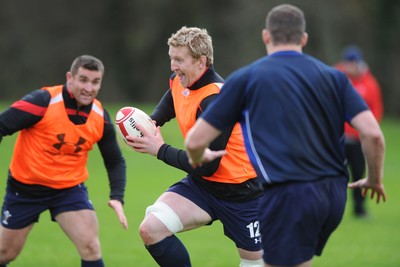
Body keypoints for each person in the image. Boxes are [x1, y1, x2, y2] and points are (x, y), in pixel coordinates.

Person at [184, 4, 386, 267]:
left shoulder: (247, 78)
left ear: (266, 36)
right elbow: (373, 134)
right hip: (334, 194)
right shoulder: (335, 78)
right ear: (303, 38)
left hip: (290, 194)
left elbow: (195, 141)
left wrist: (200, 155)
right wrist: (374, 178)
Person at [126, 26, 264, 267]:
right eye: (171, 58)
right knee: (152, 228)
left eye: (179, 60)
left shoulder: (218, 100)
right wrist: (153, 121)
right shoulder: (180, 81)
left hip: (243, 194)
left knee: (255, 263)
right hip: (203, 188)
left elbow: (207, 165)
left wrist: (159, 149)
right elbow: (173, 97)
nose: (172, 66)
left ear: (201, 62)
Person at [0, 55, 128, 267]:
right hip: (25, 189)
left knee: (91, 247)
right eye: (83, 80)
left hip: (68, 190)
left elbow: (115, 161)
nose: (89, 88)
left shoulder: (100, 117)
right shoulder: (42, 102)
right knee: (5, 253)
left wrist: (117, 196)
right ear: (70, 78)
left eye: (95, 82)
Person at [335, 45, 384, 217]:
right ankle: (334, 209)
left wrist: (364, 130)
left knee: (358, 172)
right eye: (347, 63)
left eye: (353, 63)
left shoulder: (369, 83)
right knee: (335, 174)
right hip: (338, 138)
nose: (350, 67)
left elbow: (376, 110)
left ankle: (359, 209)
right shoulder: (336, 78)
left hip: (357, 139)